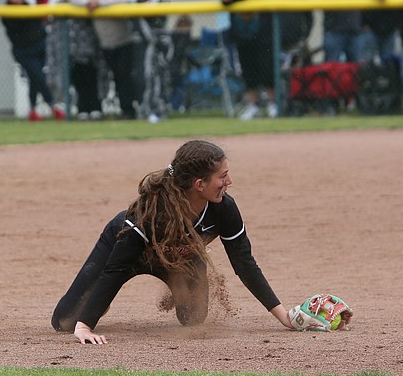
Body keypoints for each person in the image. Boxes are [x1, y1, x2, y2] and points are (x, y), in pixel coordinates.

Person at [51, 139, 297, 344]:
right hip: (128, 253)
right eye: (223, 176)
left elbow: (244, 263)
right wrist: (85, 325)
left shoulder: (224, 209)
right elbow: (116, 269)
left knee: (194, 318)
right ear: (199, 185)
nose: (229, 182)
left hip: (179, 259)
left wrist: (283, 316)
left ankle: (173, 284)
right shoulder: (151, 214)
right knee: (64, 321)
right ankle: (96, 303)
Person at [72, 0, 137, 119]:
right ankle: (107, 109)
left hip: (123, 42)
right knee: (106, 79)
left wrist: (98, 2)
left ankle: (128, 110)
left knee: (123, 78)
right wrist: (89, 2)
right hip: (105, 44)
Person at [220, 0, 276, 119]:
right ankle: (253, 105)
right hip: (242, 37)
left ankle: (273, 104)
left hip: (263, 35)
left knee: (267, 70)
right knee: (248, 72)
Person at [1, 0, 64, 121]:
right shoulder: (6, 12)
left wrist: (42, 6)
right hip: (23, 51)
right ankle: (53, 105)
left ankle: (33, 110)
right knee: (38, 76)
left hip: (39, 48)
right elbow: (16, 29)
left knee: (34, 79)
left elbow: (40, 26)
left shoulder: (29, 7)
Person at [134, 0, 172, 123]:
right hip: (143, 46)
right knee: (144, 77)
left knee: (159, 77)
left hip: (160, 45)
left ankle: (159, 109)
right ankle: (145, 109)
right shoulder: (136, 0)